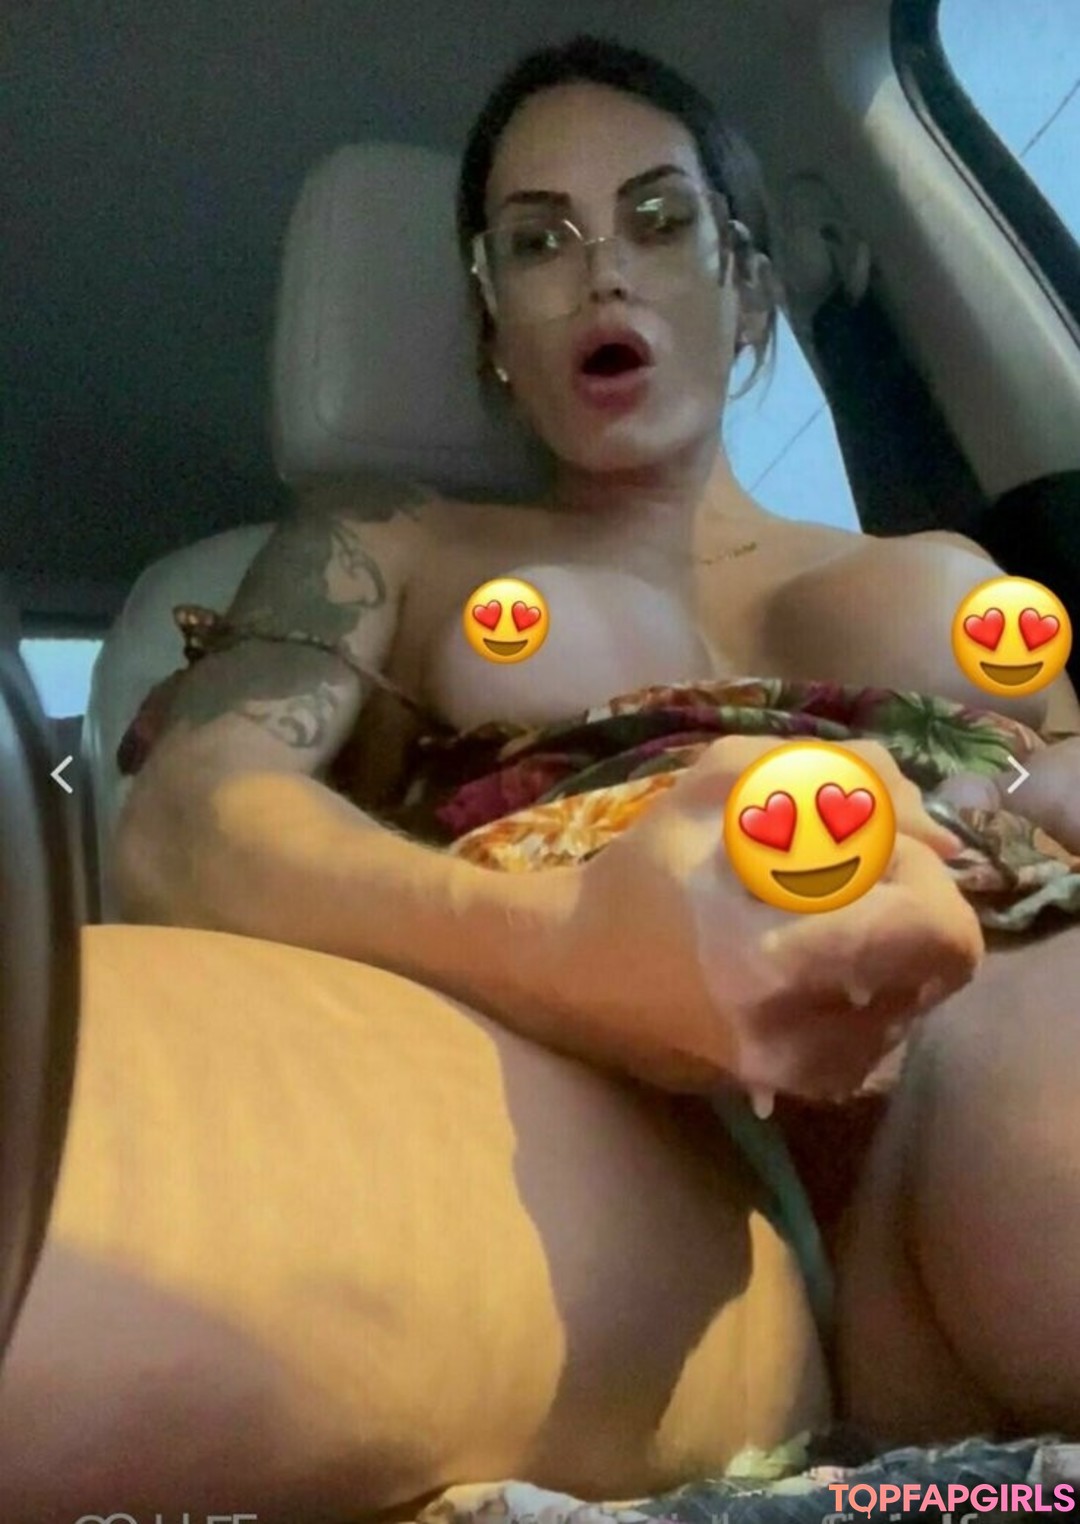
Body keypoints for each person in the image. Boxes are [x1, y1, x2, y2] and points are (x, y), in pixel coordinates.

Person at [2, 32, 1078, 1522]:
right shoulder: (384, 545)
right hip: (604, 1115)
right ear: (494, 330)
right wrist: (571, 950)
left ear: (747, 285)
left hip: (1013, 1017)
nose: (601, 273)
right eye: (535, 242)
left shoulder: (950, 574)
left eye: (658, 220)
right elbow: (190, 824)